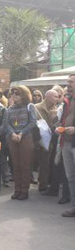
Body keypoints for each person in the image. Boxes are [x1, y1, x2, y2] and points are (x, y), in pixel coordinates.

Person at [6, 85, 37, 201]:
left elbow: (33, 122)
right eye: (12, 93)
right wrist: (13, 134)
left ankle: (24, 190)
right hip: (13, 138)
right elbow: (7, 123)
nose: (14, 95)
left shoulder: (30, 106)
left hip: (25, 138)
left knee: (25, 165)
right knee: (16, 165)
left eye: (17, 93)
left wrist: (21, 133)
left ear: (23, 94)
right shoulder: (10, 108)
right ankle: (17, 189)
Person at [56, 74, 75, 217]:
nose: (68, 84)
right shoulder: (67, 99)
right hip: (66, 142)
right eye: (68, 81)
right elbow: (63, 119)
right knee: (70, 177)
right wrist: (59, 127)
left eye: (71, 82)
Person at [34, 90, 59, 192]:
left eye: (58, 97)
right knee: (31, 163)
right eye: (55, 97)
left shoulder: (57, 110)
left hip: (48, 141)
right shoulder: (36, 107)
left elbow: (55, 126)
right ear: (47, 97)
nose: (57, 99)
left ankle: (43, 184)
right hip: (35, 140)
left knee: (45, 163)